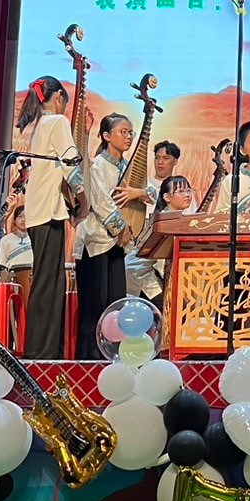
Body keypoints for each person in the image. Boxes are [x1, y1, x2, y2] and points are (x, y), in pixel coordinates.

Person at [17, 75, 84, 359]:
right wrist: (83, 200)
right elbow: (71, 163)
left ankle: (43, 350)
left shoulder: (33, 126)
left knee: (47, 282)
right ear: (57, 98)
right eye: (64, 103)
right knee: (49, 285)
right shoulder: (56, 122)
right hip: (48, 212)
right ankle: (41, 353)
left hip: (37, 211)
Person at [76, 114, 137, 359]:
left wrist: (141, 193)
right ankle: (88, 360)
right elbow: (100, 200)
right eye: (123, 131)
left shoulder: (127, 168)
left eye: (130, 132)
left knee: (115, 304)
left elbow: (147, 192)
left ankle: (111, 357)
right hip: (96, 242)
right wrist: (120, 227)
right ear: (106, 136)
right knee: (95, 305)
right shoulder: (98, 166)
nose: (129, 137)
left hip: (117, 244)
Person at [125, 139, 196, 300]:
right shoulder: (163, 218)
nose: (160, 162)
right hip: (143, 271)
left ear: (175, 161)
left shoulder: (175, 213)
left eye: (188, 191)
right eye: (157, 158)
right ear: (167, 197)